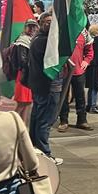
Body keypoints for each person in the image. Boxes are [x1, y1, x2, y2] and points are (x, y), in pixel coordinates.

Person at [26, 13, 64, 165]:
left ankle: (35, 149)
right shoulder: (43, 42)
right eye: (47, 22)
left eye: (52, 22)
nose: (50, 24)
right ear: (41, 23)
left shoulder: (38, 39)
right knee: (44, 121)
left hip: (40, 86)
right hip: (47, 87)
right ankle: (45, 154)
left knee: (37, 118)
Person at [56, 28, 95, 132]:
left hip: (78, 71)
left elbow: (89, 49)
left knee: (80, 96)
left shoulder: (84, 32)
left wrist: (86, 61)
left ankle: (82, 120)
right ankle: (63, 121)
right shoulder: (61, 30)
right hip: (63, 71)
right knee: (63, 97)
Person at [13, 19, 39, 126]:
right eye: (30, 26)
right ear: (26, 27)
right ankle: (13, 125)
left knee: (28, 102)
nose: (32, 29)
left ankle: (22, 125)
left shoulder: (31, 39)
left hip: (29, 75)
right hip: (23, 75)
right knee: (22, 103)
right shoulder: (22, 41)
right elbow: (23, 61)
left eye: (34, 26)